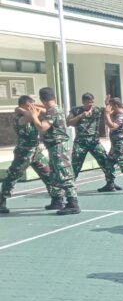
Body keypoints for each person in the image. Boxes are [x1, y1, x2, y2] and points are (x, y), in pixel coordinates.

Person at [22, 87, 80, 215]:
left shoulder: (52, 111)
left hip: (59, 146)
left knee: (64, 173)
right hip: (54, 147)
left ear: (42, 99)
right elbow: (44, 109)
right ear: (54, 97)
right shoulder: (54, 109)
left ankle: (73, 203)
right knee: (54, 175)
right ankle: (57, 200)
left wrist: (34, 117)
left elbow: (42, 127)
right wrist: (32, 106)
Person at [0, 96, 56, 214]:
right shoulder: (19, 118)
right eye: (29, 105)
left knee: (48, 174)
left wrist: (35, 106)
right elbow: (31, 116)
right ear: (23, 106)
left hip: (36, 151)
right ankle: (2, 201)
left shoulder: (30, 112)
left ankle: (56, 198)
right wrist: (21, 109)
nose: (33, 107)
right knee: (13, 176)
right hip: (24, 152)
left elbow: (49, 110)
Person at [68, 92, 117, 191]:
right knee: (75, 164)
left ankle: (110, 183)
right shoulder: (76, 110)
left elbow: (109, 110)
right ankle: (69, 186)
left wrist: (107, 103)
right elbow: (68, 122)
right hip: (80, 142)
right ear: (83, 102)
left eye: (92, 102)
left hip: (94, 141)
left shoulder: (97, 110)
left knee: (105, 161)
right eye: (88, 102)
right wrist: (80, 116)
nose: (91, 104)